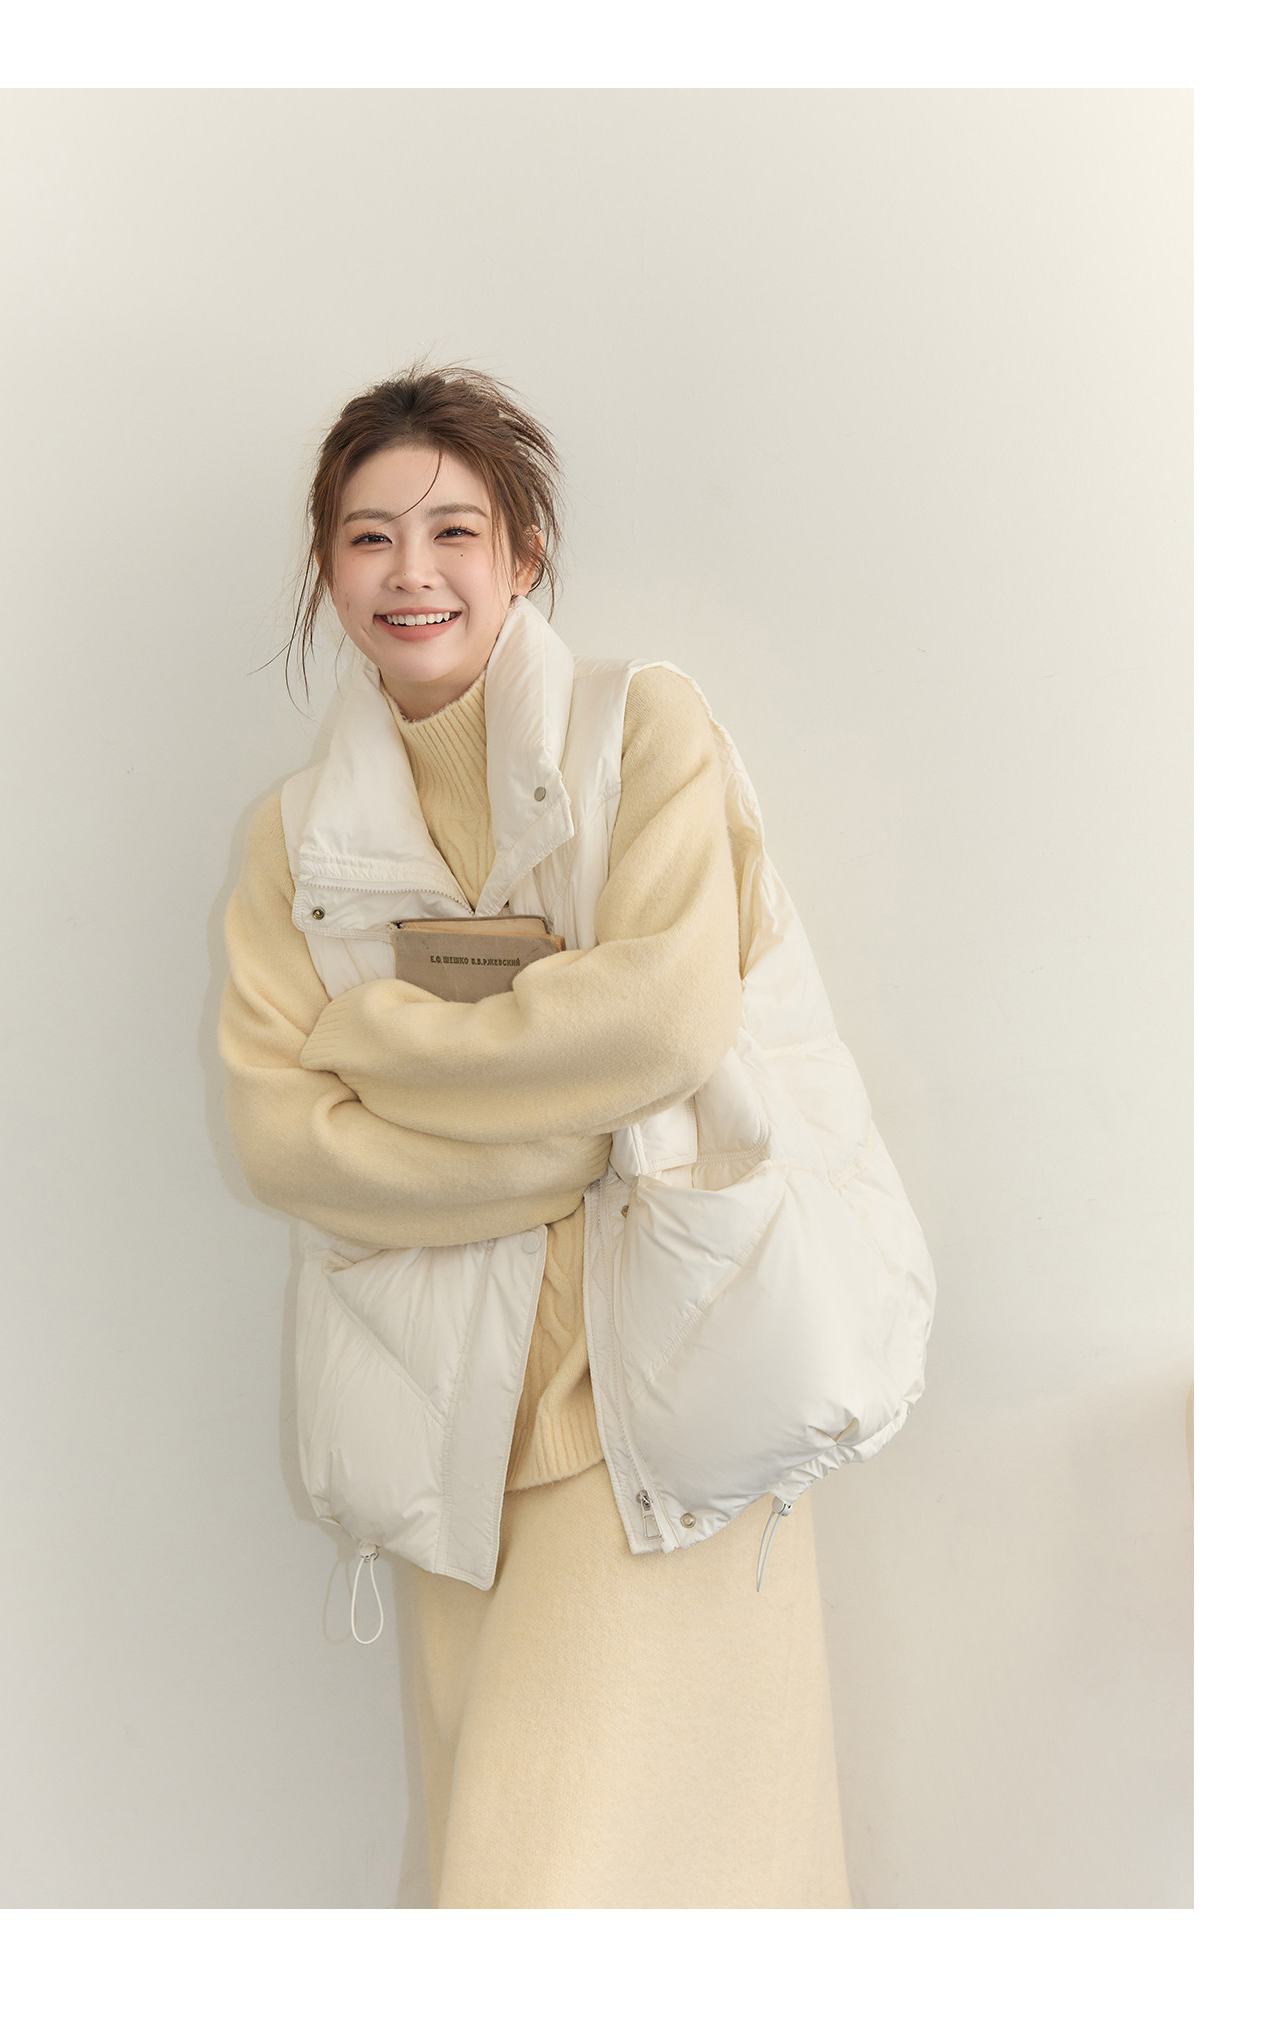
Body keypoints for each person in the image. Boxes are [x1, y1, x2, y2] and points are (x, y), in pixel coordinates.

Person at [218, 365, 934, 1908]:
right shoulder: (292, 840)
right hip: (450, 1436)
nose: (412, 573)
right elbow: (279, 1135)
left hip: (659, 1406)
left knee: (543, 1889)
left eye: (454, 531)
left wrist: (380, 1044)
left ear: (523, 555)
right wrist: (560, 1132)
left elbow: (662, 1019)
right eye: (369, 536)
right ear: (326, 568)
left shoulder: (645, 729)